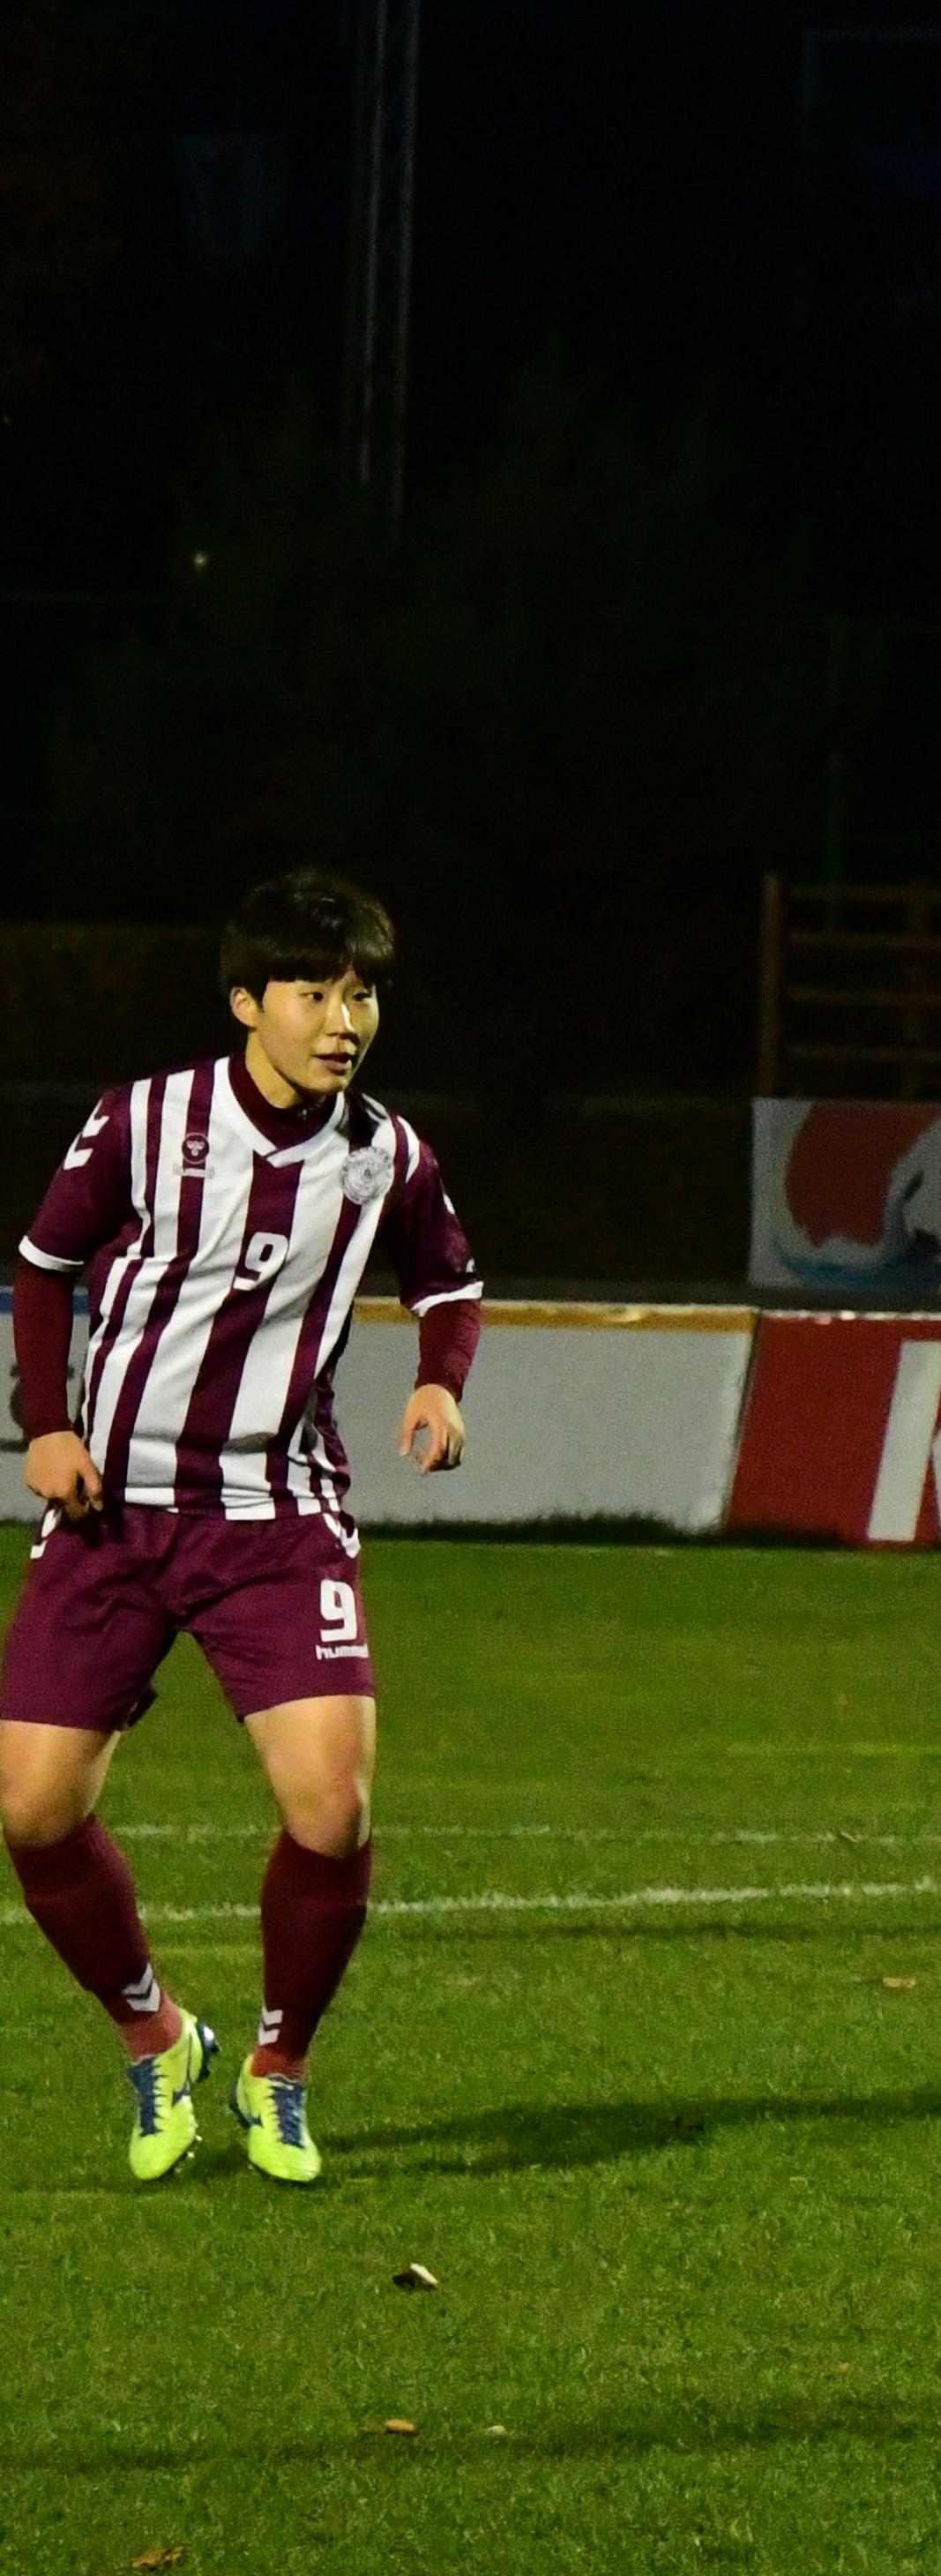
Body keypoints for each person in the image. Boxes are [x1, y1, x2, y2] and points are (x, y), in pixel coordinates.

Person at [6, 869, 478, 2184]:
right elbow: (45, 1270)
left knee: (334, 1807)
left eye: (362, 992)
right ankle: (156, 2032)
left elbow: (450, 1275)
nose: (344, 1018)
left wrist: (443, 1377)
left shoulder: (386, 1153)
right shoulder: (146, 1122)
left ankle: (281, 2067)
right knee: (35, 1810)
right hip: (113, 1509)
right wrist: (46, 1422)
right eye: (315, 992)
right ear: (246, 1003)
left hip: (277, 1515)